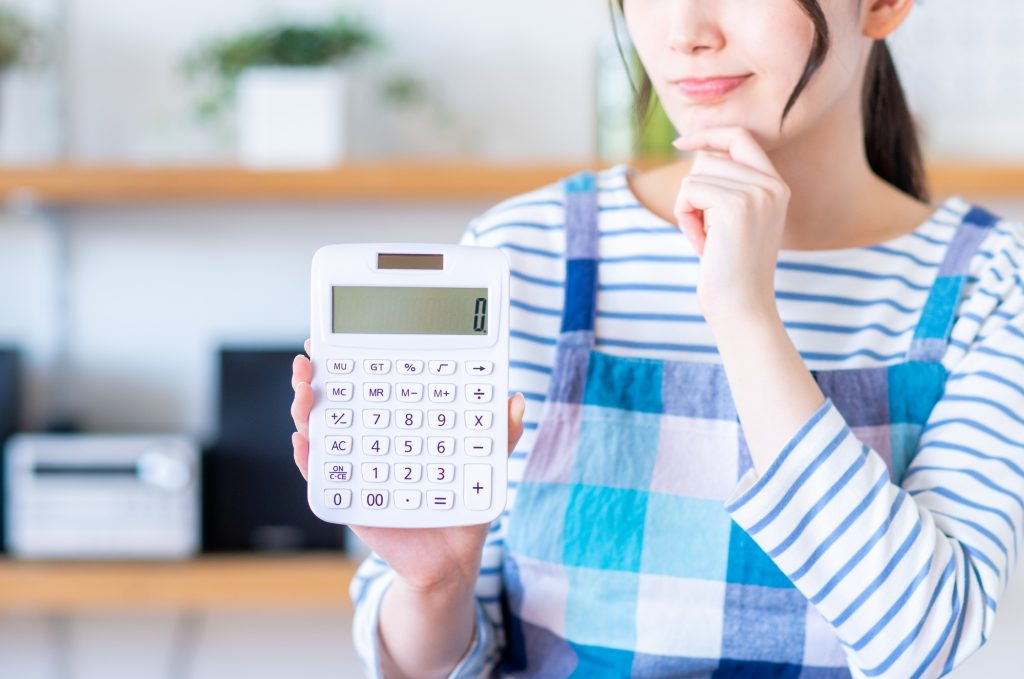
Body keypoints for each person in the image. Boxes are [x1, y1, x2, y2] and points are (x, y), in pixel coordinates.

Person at [290, 0, 1024, 676]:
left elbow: (922, 638)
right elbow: (447, 659)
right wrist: (435, 583)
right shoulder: (529, 253)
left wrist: (744, 312)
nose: (683, 32)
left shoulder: (987, 285)